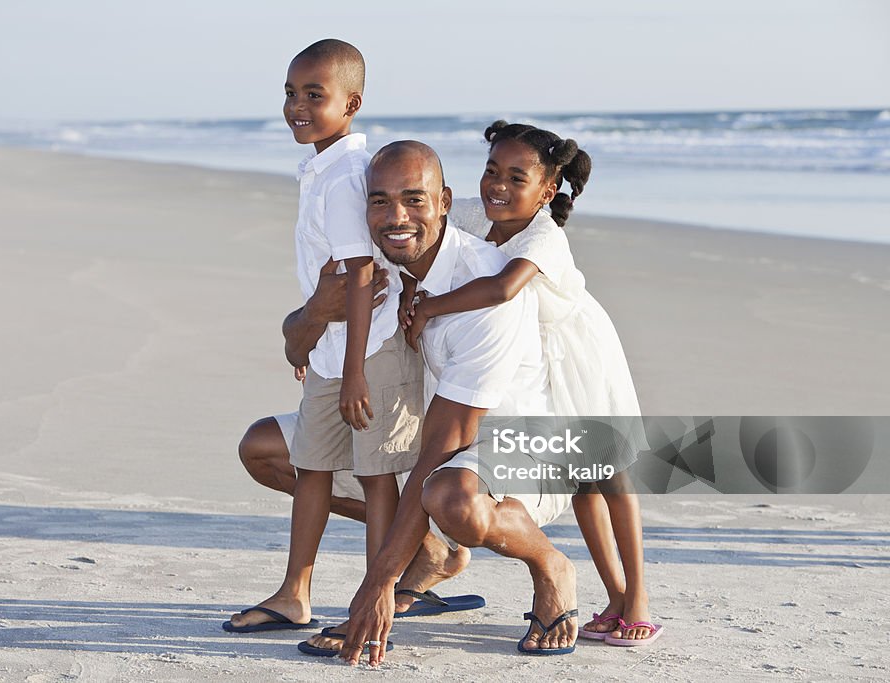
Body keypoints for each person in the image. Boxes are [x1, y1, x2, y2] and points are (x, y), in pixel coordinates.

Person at [398, 120, 661, 646]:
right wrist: (409, 286)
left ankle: (637, 599)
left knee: (609, 475)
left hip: (579, 354)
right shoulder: (474, 216)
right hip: (534, 360)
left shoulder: (545, 235)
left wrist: (428, 307)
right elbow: (431, 245)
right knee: (579, 479)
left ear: (546, 191)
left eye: (516, 178)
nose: (497, 185)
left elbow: (501, 286)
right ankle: (609, 596)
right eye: (491, 170)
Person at [339, 140, 580, 666]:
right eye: (379, 201)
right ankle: (434, 554)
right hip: (438, 434)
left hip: (524, 447)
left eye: (413, 200)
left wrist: (378, 582)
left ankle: (551, 564)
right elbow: (301, 331)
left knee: (451, 498)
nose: (395, 217)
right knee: (271, 451)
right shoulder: (382, 259)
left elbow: (440, 452)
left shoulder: (484, 294)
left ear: (444, 201)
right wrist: (312, 316)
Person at [223, 39, 424, 634]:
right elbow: (328, 280)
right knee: (311, 466)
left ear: (352, 102)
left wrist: (355, 367)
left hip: (372, 353)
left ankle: (371, 601)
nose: (297, 105)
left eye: (315, 94)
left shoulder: (344, 177)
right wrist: (316, 345)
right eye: (290, 93)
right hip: (336, 351)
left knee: (374, 474)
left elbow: (360, 273)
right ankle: (294, 593)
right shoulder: (320, 167)